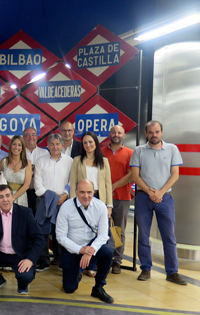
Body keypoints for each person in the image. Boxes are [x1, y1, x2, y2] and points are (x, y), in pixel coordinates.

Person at [130, 121, 187, 285]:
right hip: (143, 197)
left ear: (161, 132)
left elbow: (175, 175)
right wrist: (150, 192)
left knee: (169, 236)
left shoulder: (172, 149)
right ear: (146, 133)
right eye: (150, 132)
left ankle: (172, 272)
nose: (153, 135)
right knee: (143, 235)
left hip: (165, 199)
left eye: (156, 132)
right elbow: (135, 176)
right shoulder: (139, 150)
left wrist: (160, 193)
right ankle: (145, 269)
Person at [0, 185, 45, 295]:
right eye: (1, 197)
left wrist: (30, 259)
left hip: (19, 255)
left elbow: (40, 239)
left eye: (7, 196)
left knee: (25, 275)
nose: (5, 199)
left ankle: (23, 284)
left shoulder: (25, 213)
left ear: (12, 197)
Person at [56, 179, 114, 303]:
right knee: (69, 289)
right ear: (76, 192)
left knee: (108, 252)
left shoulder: (100, 207)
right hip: (72, 248)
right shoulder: (66, 207)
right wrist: (81, 250)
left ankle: (99, 287)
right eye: (82, 192)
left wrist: (89, 251)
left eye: (89, 192)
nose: (86, 196)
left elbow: (104, 235)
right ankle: (77, 273)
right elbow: (60, 236)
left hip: (92, 246)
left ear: (94, 192)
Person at [69, 131, 112, 277]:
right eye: (85, 142)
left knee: (99, 232)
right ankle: (81, 264)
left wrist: (109, 206)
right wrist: (74, 204)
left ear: (96, 143)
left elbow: (108, 185)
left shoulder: (104, 161)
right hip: (82, 198)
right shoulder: (77, 160)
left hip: (99, 198)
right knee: (84, 231)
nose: (88, 145)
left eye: (91, 142)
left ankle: (92, 265)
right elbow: (73, 182)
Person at [33, 134, 73, 271]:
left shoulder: (69, 161)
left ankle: (62, 260)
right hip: (44, 200)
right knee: (42, 232)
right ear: (48, 146)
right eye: (52, 144)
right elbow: (37, 184)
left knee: (61, 232)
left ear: (62, 145)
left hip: (63, 201)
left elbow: (71, 181)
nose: (55, 147)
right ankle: (44, 261)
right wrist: (51, 196)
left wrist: (64, 196)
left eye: (57, 144)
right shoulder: (40, 161)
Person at [101, 126, 133, 274]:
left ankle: (117, 261)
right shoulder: (101, 152)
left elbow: (131, 175)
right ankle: (102, 258)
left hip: (122, 197)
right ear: (110, 134)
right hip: (102, 197)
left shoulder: (130, 153)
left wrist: (113, 186)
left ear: (124, 135)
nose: (116, 134)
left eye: (119, 132)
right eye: (113, 132)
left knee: (118, 230)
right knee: (101, 229)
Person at [0, 135, 32, 207]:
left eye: (19, 145)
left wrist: (13, 197)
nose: (16, 147)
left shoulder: (27, 163)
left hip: (21, 198)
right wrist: (6, 198)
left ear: (22, 148)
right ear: (10, 146)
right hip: (4, 199)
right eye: (14, 144)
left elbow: (26, 185)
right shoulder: (4, 161)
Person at [23, 127, 49, 214]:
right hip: (23, 192)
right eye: (27, 135)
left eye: (33, 135)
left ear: (37, 137)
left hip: (40, 193)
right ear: (23, 138)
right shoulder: (19, 153)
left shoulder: (45, 153)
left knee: (38, 219)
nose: (31, 137)